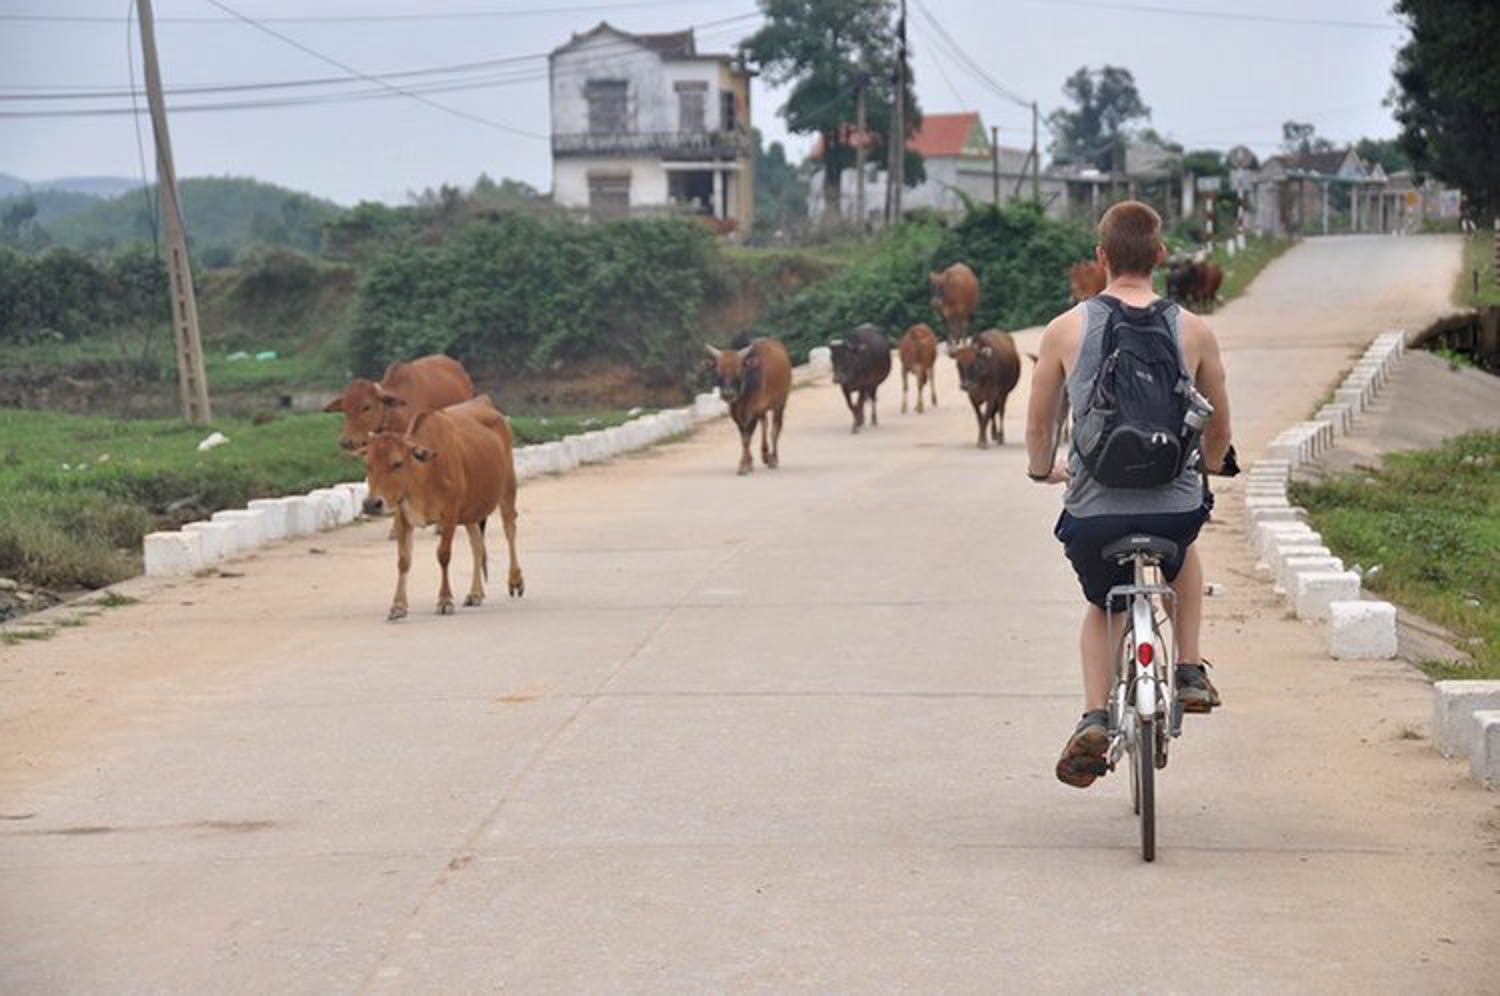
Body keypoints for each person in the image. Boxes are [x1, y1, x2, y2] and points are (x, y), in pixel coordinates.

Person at [1024, 201, 1233, 789]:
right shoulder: (1193, 329)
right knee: (1184, 553)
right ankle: (1189, 669)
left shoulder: (1065, 329)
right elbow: (1218, 428)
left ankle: (1094, 717)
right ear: (1161, 256)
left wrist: (1044, 469)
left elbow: (1041, 426)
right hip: (1173, 509)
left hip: (1094, 514)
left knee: (1100, 605)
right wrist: (1215, 464)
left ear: (1101, 258)